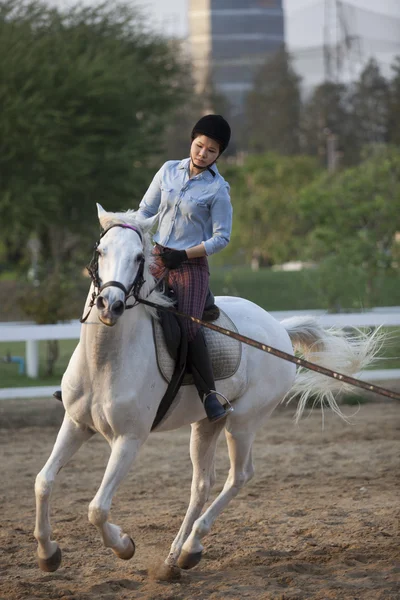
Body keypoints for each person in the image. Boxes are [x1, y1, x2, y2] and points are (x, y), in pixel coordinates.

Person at [138, 114, 234, 422]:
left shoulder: (218, 189)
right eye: (199, 145)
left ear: (218, 155)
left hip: (190, 265)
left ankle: (209, 395)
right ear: (192, 141)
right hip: (157, 258)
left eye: (211, 150)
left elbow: (222, 237)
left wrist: (185, 254)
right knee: (122, 304)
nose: (202, 153)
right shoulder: (168, 170)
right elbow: (145, 210)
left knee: (190, 326)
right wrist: (132, 237)